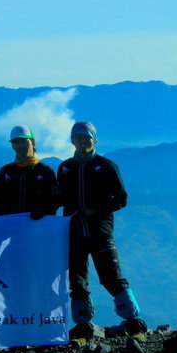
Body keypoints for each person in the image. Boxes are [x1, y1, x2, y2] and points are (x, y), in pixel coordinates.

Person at [56, 121, 145, 337]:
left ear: (94, 139)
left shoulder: (106, 166)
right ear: (72, 140)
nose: (83, 140)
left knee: (111, 276)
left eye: (87, 137)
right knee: (77, 280)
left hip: (100, 231)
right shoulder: (65, 167)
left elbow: (121, 199)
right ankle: (83, 326)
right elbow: (58, 198)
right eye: (78, 137)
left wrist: (95, 210)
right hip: (74, 232)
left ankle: (134, 323)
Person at [0, 125, 57, 219]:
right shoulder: (5, 172)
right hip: (9, 228)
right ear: (12, 146)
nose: (20, 145)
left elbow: (54, 203)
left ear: (33, 142)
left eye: (24, 141)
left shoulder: (46, 171)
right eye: (16, 142)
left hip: (36, 229)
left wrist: (43, 210)